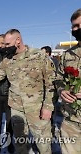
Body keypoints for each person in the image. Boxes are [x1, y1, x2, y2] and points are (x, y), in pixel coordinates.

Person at [0, 29, 55, 154]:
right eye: (3, 44)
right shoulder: (7, 60)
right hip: (16, 109)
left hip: (37, 109)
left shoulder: (39, 55)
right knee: (20, 144)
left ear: (18, 40)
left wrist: (48, 106)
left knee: (43, 145)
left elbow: (51, 82)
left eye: (7, 44)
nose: (5, 47)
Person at [55, 8, 81, 154]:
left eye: (77, 25)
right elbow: (58, 78)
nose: (74, 29)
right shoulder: (67, 55)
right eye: (73, 26)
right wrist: (62, 90)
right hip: (71, 121)